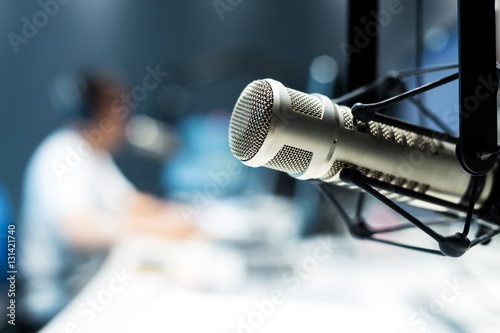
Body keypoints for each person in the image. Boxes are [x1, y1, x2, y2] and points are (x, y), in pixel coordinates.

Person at [19, 69, 197, 329]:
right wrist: (160, 227)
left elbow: (131, 202)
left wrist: (180, 213)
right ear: (94, 115)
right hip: (58, 302)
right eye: (121, 112)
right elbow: (78, 231)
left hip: (87, 286)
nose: (127, 123)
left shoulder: (96, 156)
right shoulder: (62, 154)